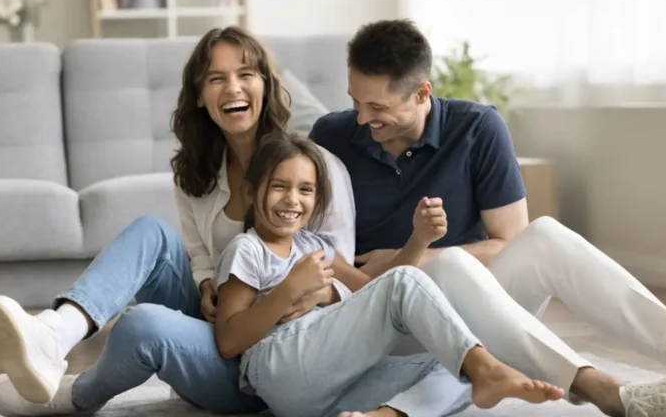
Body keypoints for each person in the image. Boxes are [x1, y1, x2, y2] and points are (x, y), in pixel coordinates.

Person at [310, 18, 666, 417]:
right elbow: (308, 241)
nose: (362, 119)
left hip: (477, 312)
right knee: (451, 261)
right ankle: (604, 390)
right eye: (354, 101)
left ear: (422, 93)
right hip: (385, 320)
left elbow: (511, 243)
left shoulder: (476, 128)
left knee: (543, 236)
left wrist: (412, 255)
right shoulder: (331, 135)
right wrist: (398, 269)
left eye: (377, 106)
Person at [0, 26, 358, 416]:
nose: (233, 88)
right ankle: (55, 334)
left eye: (246, 75)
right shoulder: (195, 173)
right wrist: (207, 282)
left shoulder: (315, 170)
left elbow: (345, 280)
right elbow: (200, 255)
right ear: (199, 96)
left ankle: (74, 399)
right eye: (215, 78)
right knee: (150, 231)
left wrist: (311, 292)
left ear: (266, 85)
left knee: (143, 325)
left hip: (267, 363)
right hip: (214, 329)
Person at [213, 131, 565, 417]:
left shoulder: (315, 247)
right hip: (278, 368)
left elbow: (376, 293)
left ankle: (386, 415)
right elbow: (229, 342)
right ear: (250, 191)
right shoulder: (248, 249)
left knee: (452, 366)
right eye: (278, 186)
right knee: (436, 321)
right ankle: (486, 367)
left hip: (320, 392)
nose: (292, 199)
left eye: (305, 190)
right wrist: (288, 290)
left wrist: (419, 238)